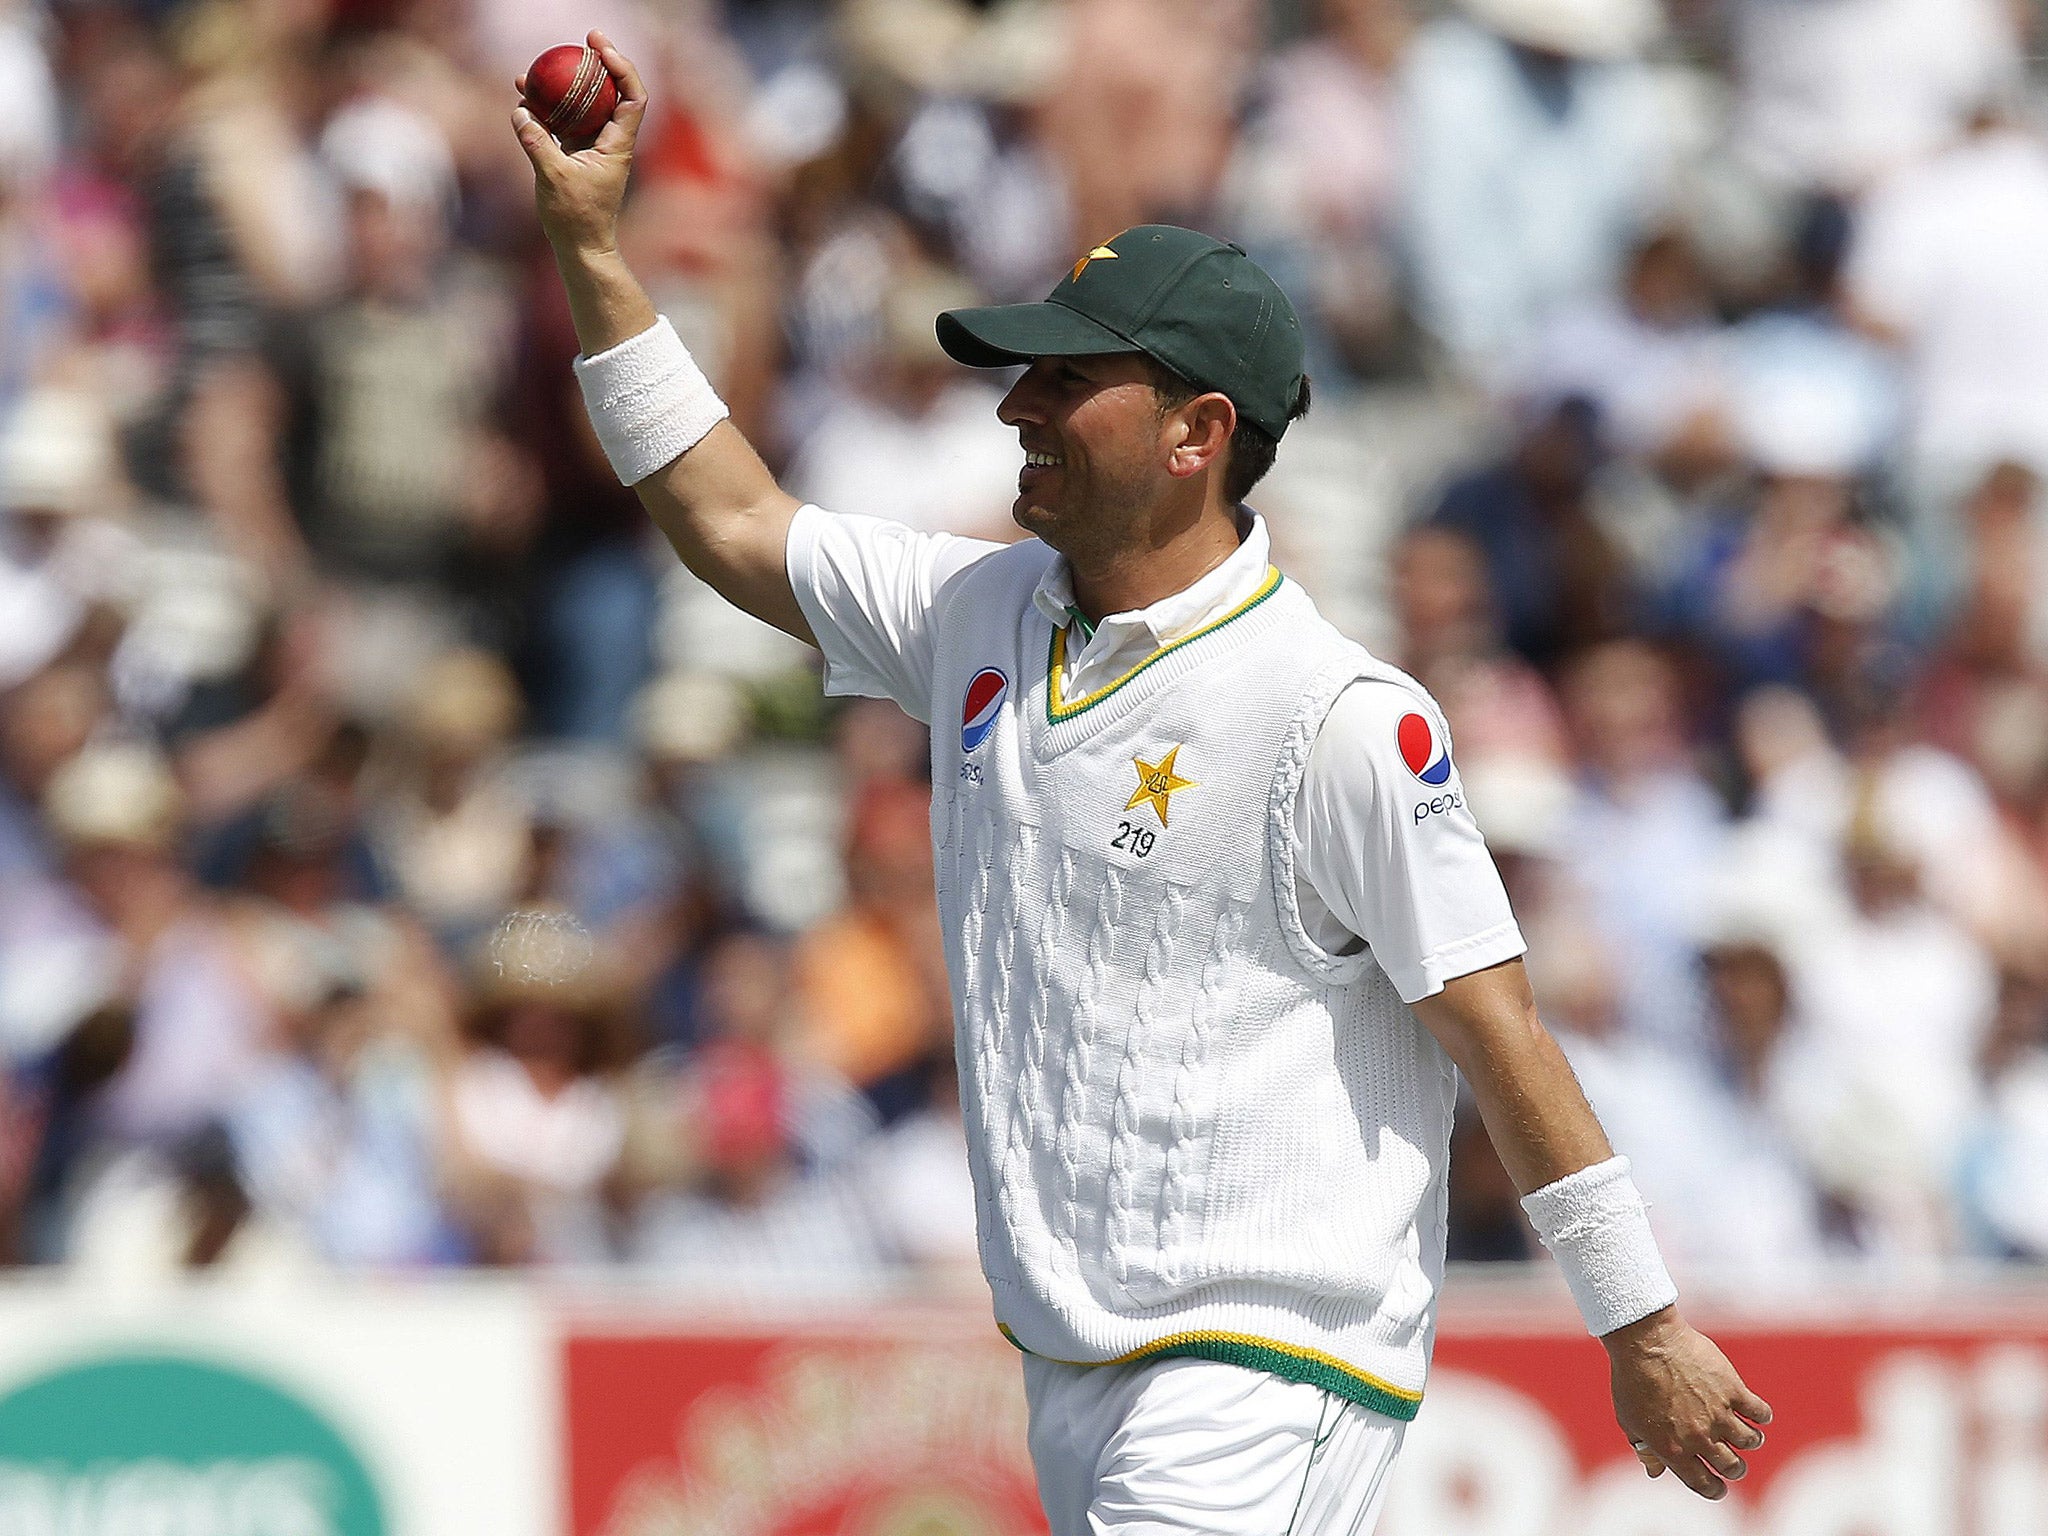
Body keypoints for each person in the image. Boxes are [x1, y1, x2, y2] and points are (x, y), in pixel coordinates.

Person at [511, 34, 1771, 1530]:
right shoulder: (975, 615)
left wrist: (1641, 1326)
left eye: (1066, 378)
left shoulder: (1338, 717)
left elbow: (1496, 1028)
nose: (1014, 407)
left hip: (1260, 1359)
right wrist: (593, 247)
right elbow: (727, 519)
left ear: (1196, 432)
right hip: (1074, 1358)